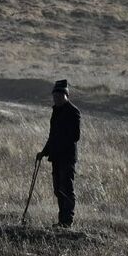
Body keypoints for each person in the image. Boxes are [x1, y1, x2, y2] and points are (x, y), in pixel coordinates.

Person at [37, 79, 81, 228]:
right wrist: (44, 151)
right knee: (58, 189)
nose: (56, 98)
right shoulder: (56, 111)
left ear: (66, 95)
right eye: (55, 96)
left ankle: (67, 221)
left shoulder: (73, 112)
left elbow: (75, 136)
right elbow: (52, 135)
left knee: (66, 188)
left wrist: (59, 145)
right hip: (56, 157)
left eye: (59, 96)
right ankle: (62, 220)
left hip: (67, 157)